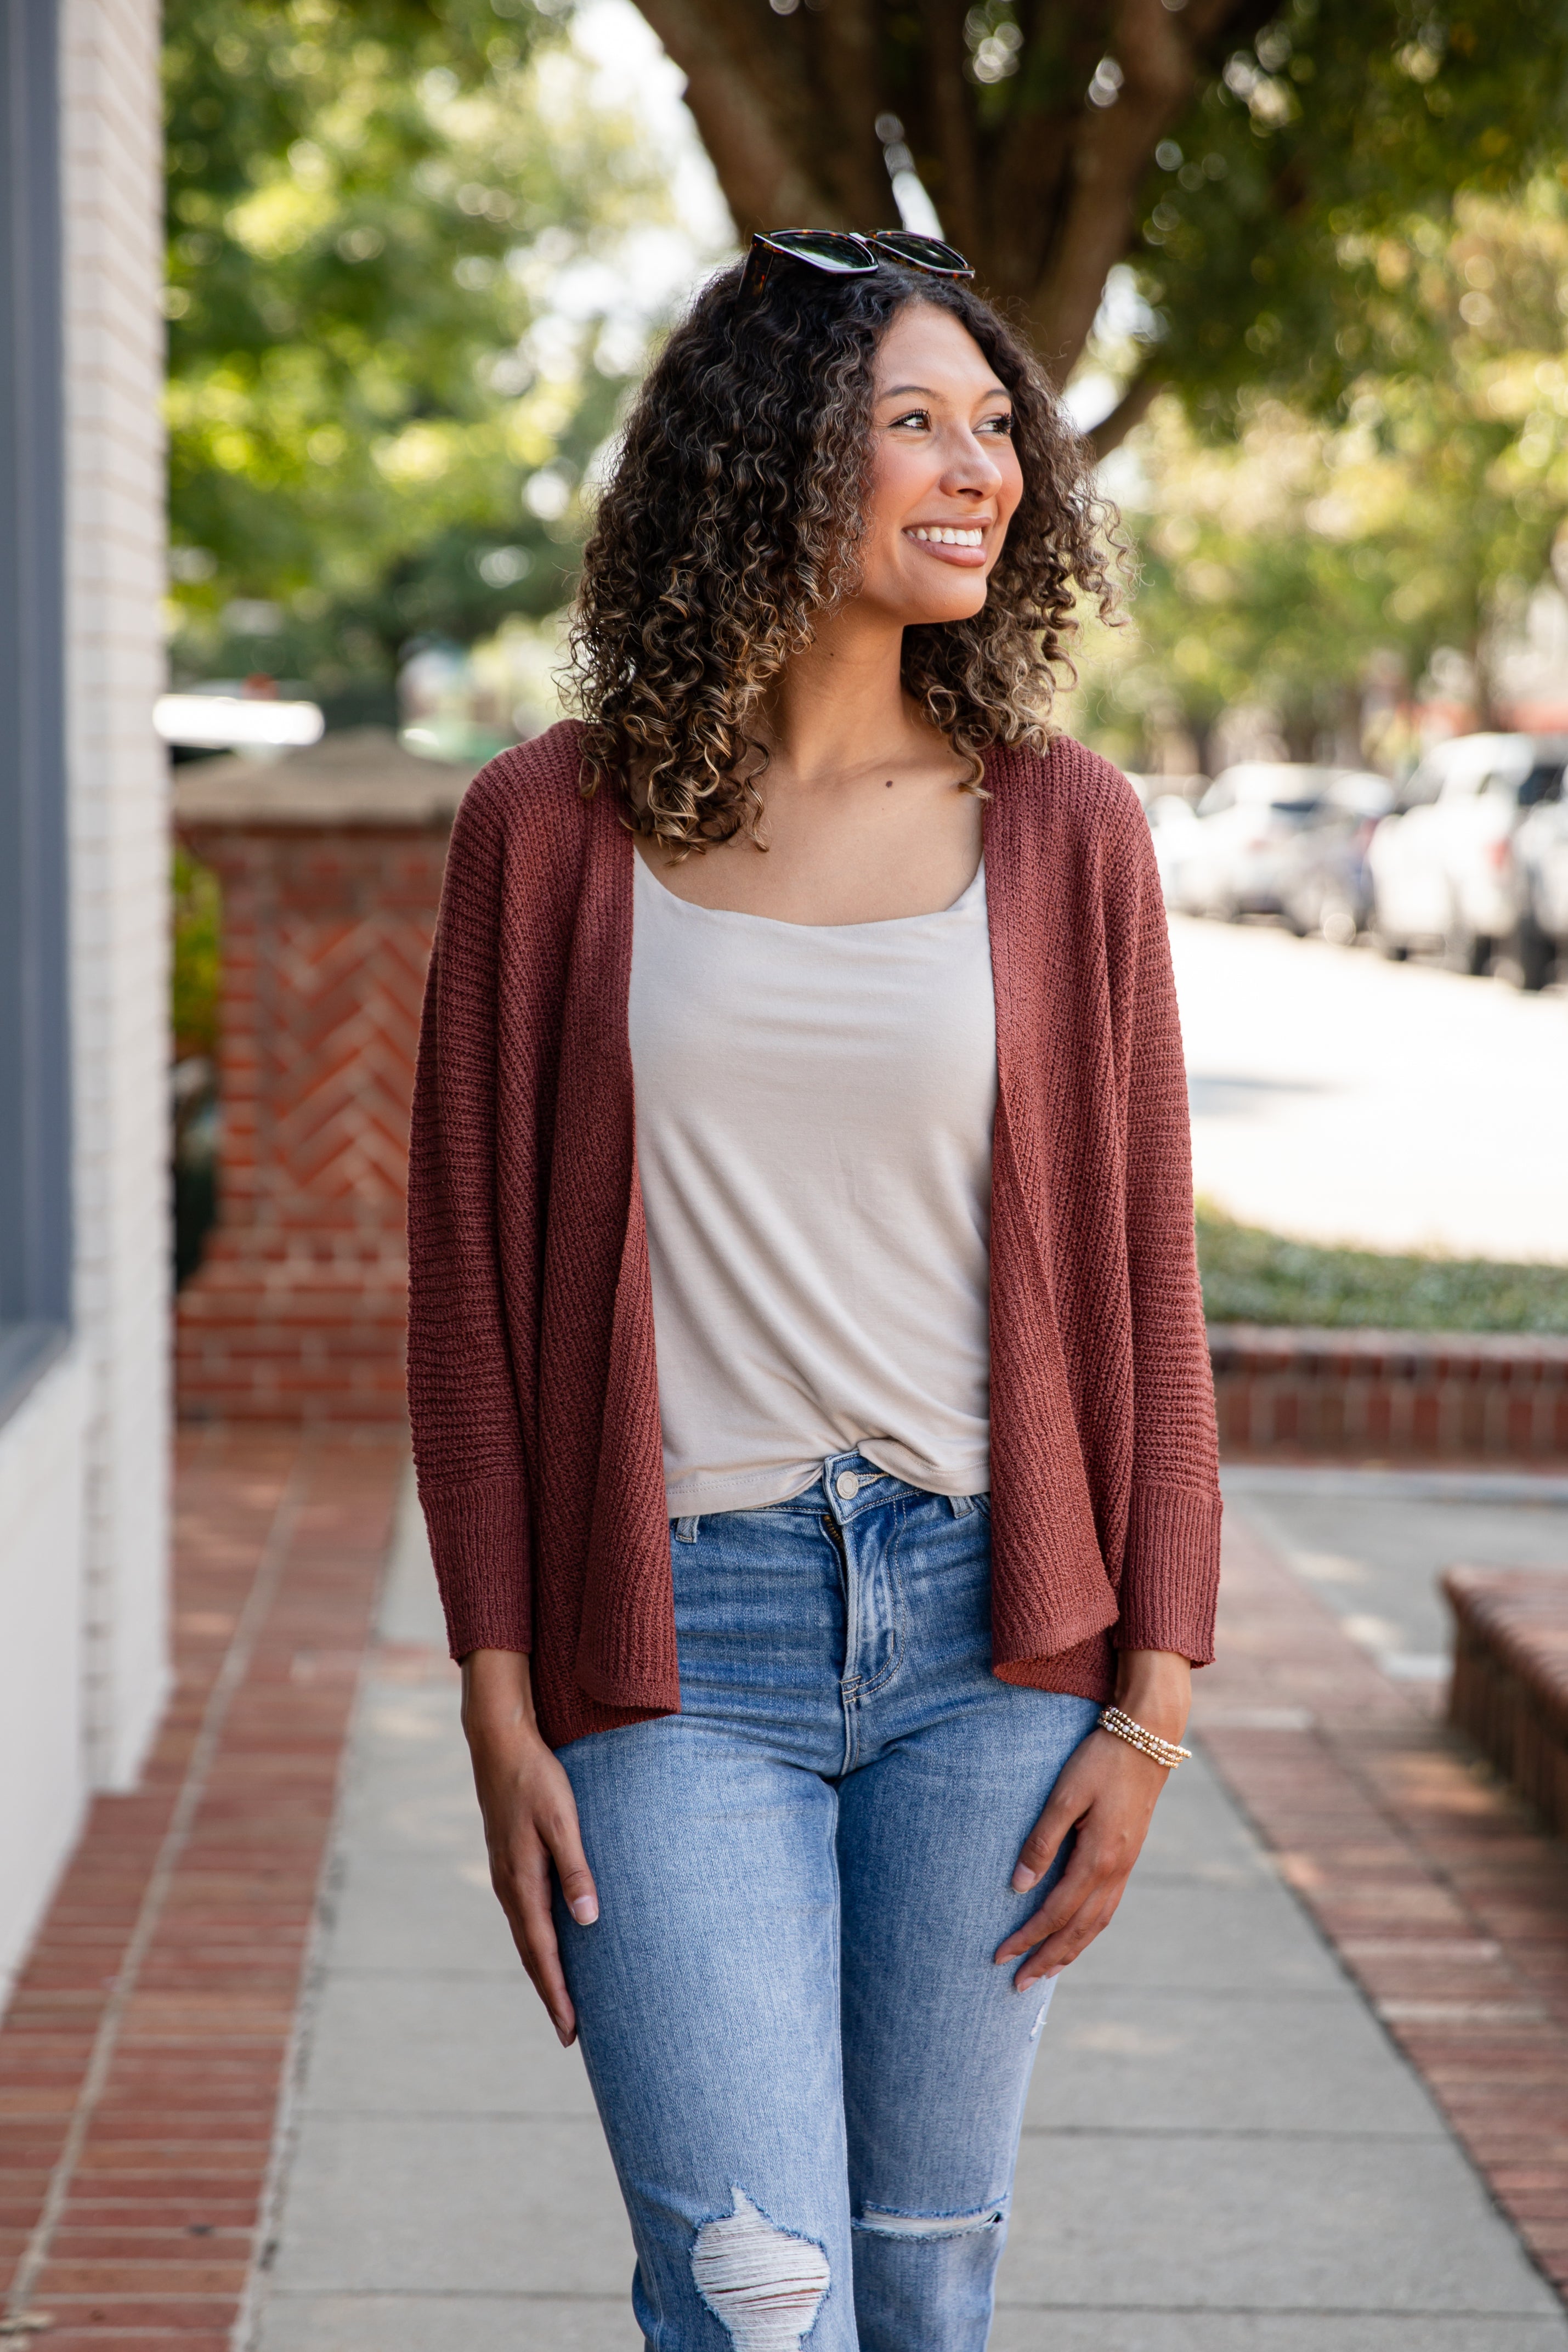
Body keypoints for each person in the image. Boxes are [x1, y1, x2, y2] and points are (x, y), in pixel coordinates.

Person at [407, 228, 1221, 2352]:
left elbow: (1150, 1289)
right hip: (677, 1647)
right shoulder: (545, 829)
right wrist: (494, 1685)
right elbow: (470, 1305)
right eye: (915, 423)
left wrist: (1151, 1703)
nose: (983, 470)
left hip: (991, 1637)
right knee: (751, 2291)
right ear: (769, 461)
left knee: (922, 2282)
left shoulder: (1066, 830)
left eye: (997, 427)